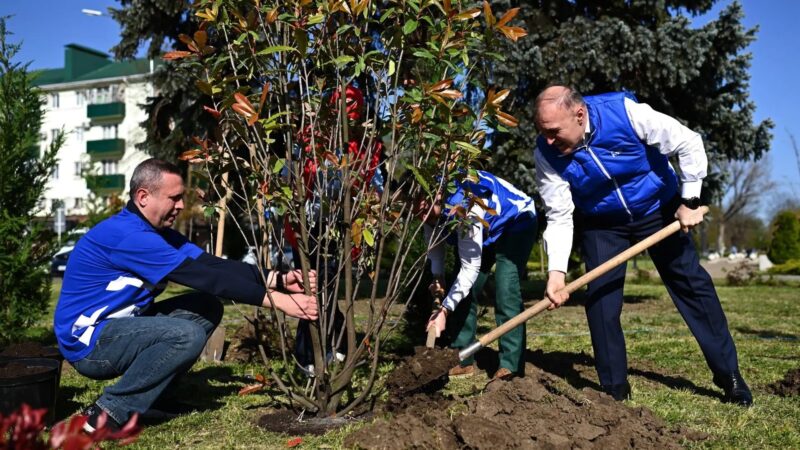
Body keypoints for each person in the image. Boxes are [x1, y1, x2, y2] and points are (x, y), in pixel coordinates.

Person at [53, 159, 319, 433]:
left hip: (119, 327)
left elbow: (213, 266)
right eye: (175, 198)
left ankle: (155, 396)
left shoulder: (157, 233)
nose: (181, 205)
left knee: (205, 306)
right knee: (186, 334)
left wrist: (278, 278)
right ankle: (107, 412)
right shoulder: (129, 237)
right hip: (89, 343)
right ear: (143, 197)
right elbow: (207, 278)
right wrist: (281, 302)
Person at [533, 85, 752, 406]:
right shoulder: (546, 152)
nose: (548, 140)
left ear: (579, 115)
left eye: (553, 131)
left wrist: (690, 199)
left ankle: (728, 374)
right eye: (542, 132)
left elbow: (688, 142)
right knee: (601, 300)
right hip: (602, 222)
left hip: (657, 209)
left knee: (692, 284)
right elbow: (559, 214)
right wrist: (556, 273)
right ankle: (614, 390)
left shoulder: (624, 112)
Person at [419, 170, 537, 380]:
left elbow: (470, 270)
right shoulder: (429, 211)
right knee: (462, 289)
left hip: (515, 222)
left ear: (438, 196)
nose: (422, 213)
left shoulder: (466, 206)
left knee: (505, 288)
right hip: (484, 231)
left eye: (426, 207)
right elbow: (435, 247)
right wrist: (438, 278)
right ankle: (462, 357)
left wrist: (444, 311)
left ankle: (511, 365)